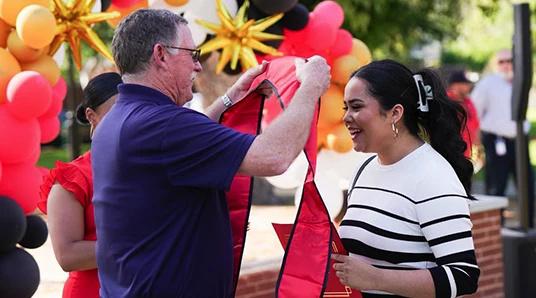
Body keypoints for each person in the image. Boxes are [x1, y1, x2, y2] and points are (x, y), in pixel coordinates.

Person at [91, 9, 331, 298]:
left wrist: (229, 99)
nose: (198, 66)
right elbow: (275, 157)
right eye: (192, 54)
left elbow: (178, 146)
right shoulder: (166, 125)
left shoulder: (117, 120)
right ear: (161, 56)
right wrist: (311, 87)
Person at [332, 60, 480, 297]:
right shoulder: (364, 169)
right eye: (345, 108)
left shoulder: (433, 178)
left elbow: (463, 276)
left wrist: (376, 278)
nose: (346, 118)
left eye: (356, 107)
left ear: (395, 113)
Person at [38, 72, 123, 298]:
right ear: (91, 115)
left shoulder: (147, 167)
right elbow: (67, 255)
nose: (127, 117)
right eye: (118, 109)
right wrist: (138, 245)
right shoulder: (74, 177)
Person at [470, 49, 536, 228]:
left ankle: (529, 226)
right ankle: (496, 229)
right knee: (496, 187)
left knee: (527, 184)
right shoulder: (487, 84)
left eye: (510, 60)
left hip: (520, 140)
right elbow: (474, 113)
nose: (506, 64)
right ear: (496, 64)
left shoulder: (521, 82)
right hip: (496, 141)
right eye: (502, 61)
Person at [447, 70, 481, 161]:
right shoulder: (446, 101)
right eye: (466, 84)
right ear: (456, 85)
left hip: (468, 152)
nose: (469, 87)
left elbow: (476, 124)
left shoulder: (468, 101)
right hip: (452, 153)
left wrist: (478, 148)